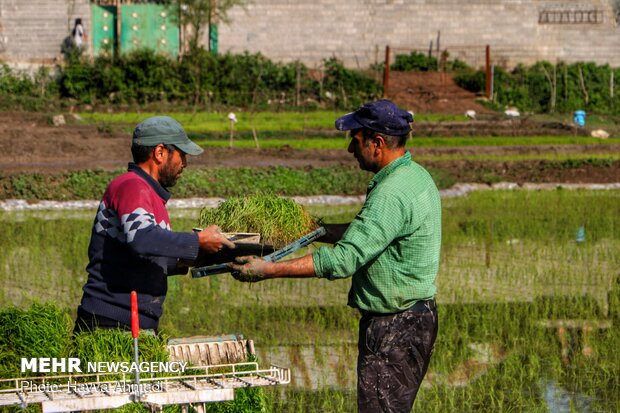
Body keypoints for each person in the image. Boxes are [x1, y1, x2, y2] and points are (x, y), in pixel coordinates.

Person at [231, 100, 441, 413]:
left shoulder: (391, 193)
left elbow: (345, 259)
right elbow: (369, 236)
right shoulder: (414, 175)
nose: (349, 149)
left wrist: (269, 268)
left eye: (355, 141)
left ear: (377, 143)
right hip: (415, 318)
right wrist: (315, 230)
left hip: (395, 327)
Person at [75, 116, 235, 333]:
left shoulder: (149, 194)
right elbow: (143, 238)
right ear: (160, 153)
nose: (185, 163)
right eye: (182, 155)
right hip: (110, 323)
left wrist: (191, 259)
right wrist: (197, 241)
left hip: (133, 323)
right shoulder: (132, 186)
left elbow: (139, 257)